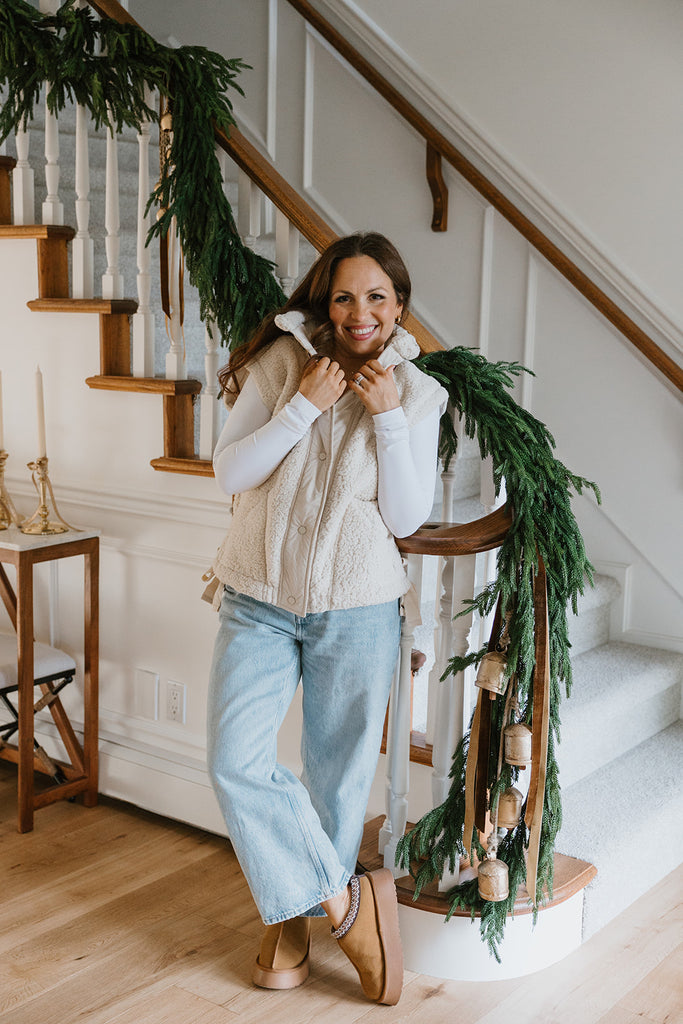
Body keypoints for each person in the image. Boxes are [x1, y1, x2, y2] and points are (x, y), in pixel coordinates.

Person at [207, 232, 447, 1005]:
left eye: (376, 296)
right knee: (235, 759)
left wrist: (385, 419)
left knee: (339, 784)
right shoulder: (282, 366)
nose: (359, 311)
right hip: (258, 596)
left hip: (359, 605)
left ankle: (290, 922)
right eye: (344, 295)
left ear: (398, 306)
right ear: (324, 300)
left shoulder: (417, 393)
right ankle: (344, 908)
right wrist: (304, 408)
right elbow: (230, 471)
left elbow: (407, 515)